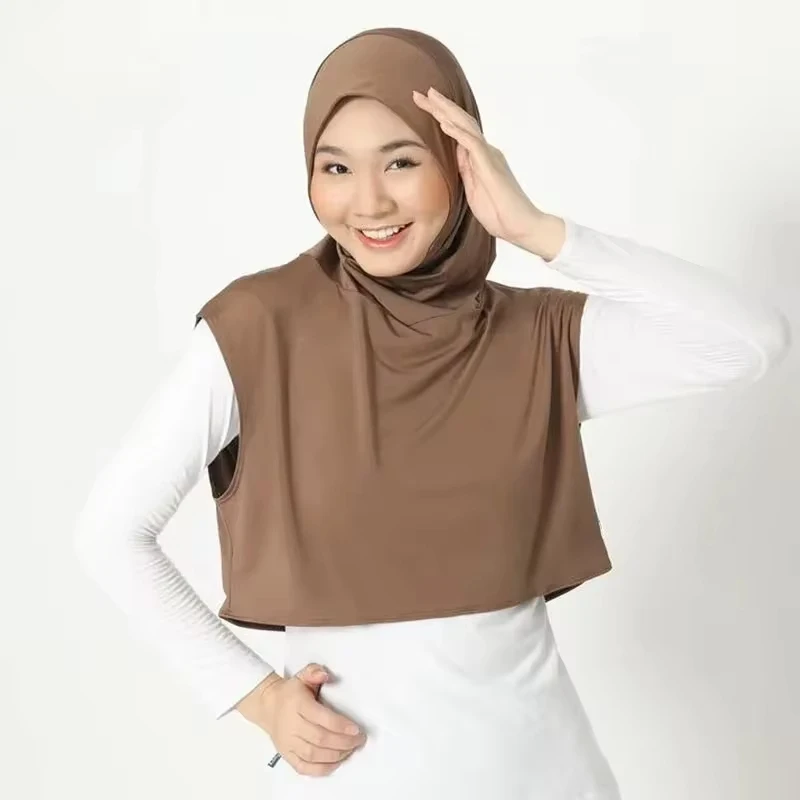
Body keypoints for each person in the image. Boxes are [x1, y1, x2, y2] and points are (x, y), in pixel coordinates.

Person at [73, 27, 790, 800]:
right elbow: (110, 532)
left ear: (460, 162)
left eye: (403, 161)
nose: (369, 201)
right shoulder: (258, 330)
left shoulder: (535, 338)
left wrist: (538, 230)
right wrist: (256, 697)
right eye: (336, 167)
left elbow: (750, 342)